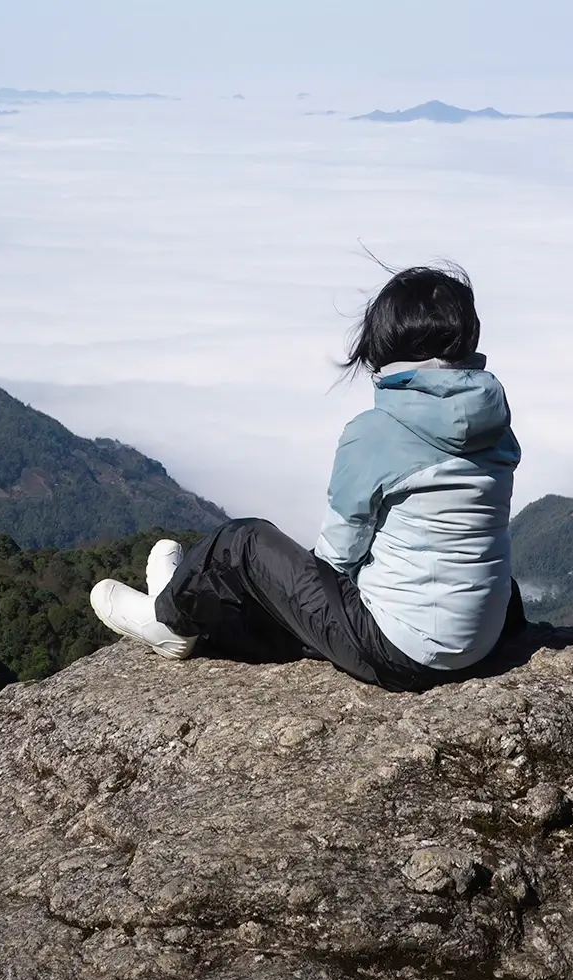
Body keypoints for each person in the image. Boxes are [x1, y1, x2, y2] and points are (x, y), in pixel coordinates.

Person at [89, 264, 526, 692]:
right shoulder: (496, 425)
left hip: (401, 653)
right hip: (484, 640)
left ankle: (169, 622)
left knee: (241, 545)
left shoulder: (374, 434)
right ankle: (189, 600)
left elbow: (337, 559)